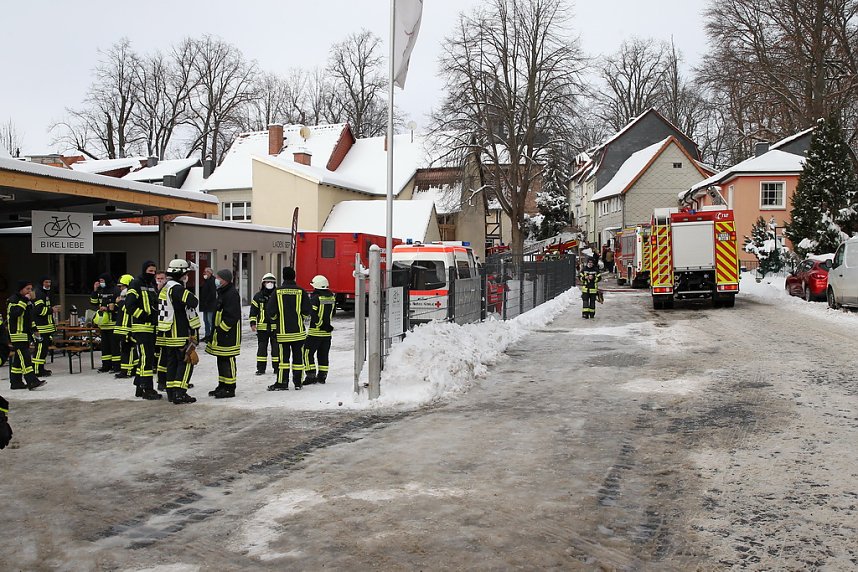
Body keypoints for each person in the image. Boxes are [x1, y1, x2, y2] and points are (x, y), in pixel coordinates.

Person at [157, 259, 201, 404]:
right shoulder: (176, 288)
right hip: (179, 332)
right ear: (181, 274)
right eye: (185, 273)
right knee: (186, 361)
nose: (186, 276)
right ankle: (180, 393)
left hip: (167, 333)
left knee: (172, 363)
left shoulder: (165, 287)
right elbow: (193, 301)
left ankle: (171, 392)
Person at [266, 266, 311, 391]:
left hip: (283, 332)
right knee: (298, 359)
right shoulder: (301, 291)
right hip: (298, 332)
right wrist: (300, 318)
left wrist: (277, 320)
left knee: (283, 359)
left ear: (283, 276)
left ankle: (282, 382)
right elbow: (307, 310)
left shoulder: (277, 292)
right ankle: (298, 382)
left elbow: (270, 310)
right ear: (294, 276)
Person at [125, 261, 162, 400]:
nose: (152, 273)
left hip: (151, 327)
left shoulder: (151, 285)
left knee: (147, 357)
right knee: (146, 357)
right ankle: (147, 389)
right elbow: (129, 305)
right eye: (150, 271)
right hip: (141, 327)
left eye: (154, 271)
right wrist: (144, 316)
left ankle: (139, 386)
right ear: (144, 270)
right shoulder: (136, 283)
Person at [205, 269, 242, 398]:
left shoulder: (231, 294)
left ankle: (230, 388)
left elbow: (232, 316)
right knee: (221, 359)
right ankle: (222, 385)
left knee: (228, 359)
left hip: (229, 334)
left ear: (225, 280)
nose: (216, 280)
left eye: (218, 278)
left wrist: (221, 329)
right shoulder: (222, 292)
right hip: (221, 333)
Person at [6, 280, 46, 390]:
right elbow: (16, 313)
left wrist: (35, 330)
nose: (30, 291)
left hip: (24, 334)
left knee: (18, 360)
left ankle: (16, 382)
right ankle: (32, 381)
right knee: (25, 358)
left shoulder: (26, 301)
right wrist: (25, 300)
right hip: (16, 334)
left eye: (31, 289)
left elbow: (29, 317)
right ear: (21, 289)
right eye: (27, 289)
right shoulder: (13, 300)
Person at [303, 275, 335, 385]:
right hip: (327, 334)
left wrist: (320, 324)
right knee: (323, 355)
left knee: (307, 353)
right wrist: (326, 325)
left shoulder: (316, 298)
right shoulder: (332, 297)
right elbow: (333, 313)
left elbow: (312, 313)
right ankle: (322, 376)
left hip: (315, 333)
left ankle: (310, 376)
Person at [90, 273, 121, 373]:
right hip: (103, 324)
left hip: (113, 323)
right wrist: (95, 290)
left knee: (114, 347)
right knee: (105, 347)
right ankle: (106, 365)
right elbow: (93, 302)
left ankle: (116, 366)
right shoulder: (101, 291)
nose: (101, 283)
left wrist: (108, 308)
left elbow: (119, 305)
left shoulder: (115, 290)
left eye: (102, 281)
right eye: (100, 281)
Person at [249, 273, 278, 375]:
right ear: (263, 283)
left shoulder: (277, 295)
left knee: (276, 349)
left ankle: (277, 368)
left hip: (275, 327)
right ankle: (261, 369)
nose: (269, 284)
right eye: (267, 282)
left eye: (271, 282)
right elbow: (253, 311)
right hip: (262, 327)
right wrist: (253, 323)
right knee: (261, 349)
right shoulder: (258, 296)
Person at [32, 276, 60, 377]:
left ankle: (41, 368)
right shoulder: (39, 293)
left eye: (49, 282)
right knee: (40, 349)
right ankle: (36, 370)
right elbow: (38, 310)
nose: (48, 284)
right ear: (41, 282)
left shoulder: (45, 293)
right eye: (46, 282)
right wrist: (52, 310)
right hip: (41, 327)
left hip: (46, 326)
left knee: (43, 350)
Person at [113, 274, 137, 379]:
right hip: (123, 327)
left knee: (129, 349)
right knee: (125, 349)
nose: (120, 289)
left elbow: (128, 308)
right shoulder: (124, 296)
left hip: (128, 328)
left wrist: (120, 303)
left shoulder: (131, 296)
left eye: (122, 286)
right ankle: (126, 370)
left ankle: (128, 371)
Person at [198, 267, 217, 343]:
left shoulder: (212, 281)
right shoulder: (206, 281)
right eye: (204, 272)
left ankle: (212, 336)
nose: (204, 273)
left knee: (210, 321)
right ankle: (207, 335)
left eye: (206, 272)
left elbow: (212, 293)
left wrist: (207, 301)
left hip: (210, 305)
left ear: (210, 273)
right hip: (205, 305)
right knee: (205, 320)